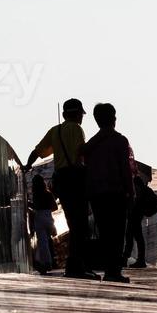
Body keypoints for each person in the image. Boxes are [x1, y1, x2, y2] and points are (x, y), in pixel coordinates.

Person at [27, 99, 95, 279]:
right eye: (81, 114)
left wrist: (27, 164)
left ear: (64, 114)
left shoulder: (55, 131)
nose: (81, 118)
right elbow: (82, 154)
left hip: (62, 181)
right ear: (77, 114)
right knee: (80, 225)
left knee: (73, 222)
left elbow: (38, 151)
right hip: (76, 179)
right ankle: (76, 266)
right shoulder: (77, 129)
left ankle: (76, 265)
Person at [84, 103, 135, 283]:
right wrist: (131, 193)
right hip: (116, 193)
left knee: (104, 232)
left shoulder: (90, 144)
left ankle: (109, 268)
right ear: (113, 118)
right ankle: (115, 270)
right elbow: (126, 170)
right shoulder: (120, 140)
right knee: (117, 232)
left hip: (96, 194)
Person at [124, 165, 157, 269]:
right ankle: (137, 259)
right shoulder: (141, 185)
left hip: (135, 213)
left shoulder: (136, 185)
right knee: (136, 236)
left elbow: (135, 200)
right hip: (138, 213)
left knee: (132, 236)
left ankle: (130, 258)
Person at [28, 174, 57, 274]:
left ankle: (45, 263)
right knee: (46, 241)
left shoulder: (36, 195)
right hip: (48, 218)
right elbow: (55, 207)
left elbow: (36, 207)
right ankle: (47, 262)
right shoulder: (48, 194)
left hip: (39, 218)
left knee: (42, 242)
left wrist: (28, 204)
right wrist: (47, 208)